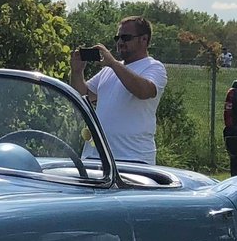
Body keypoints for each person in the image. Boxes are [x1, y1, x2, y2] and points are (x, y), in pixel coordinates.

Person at [66, 15, 166, 164]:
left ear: (144, 39)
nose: (120, 42)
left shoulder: (154, 67)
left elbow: (144, 91)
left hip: (133, 159)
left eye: (125, 37)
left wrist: (112, 63)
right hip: (97, 157)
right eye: (117, 38)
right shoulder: (109, 70)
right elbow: (83, 96)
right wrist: (77, 72)